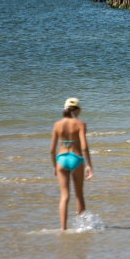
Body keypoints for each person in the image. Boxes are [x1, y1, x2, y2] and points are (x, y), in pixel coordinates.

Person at [49, 97, 93, 231]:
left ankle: (63, 228)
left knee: (64, 196)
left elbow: (51, 150)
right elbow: (84, 147)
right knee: (79, 195)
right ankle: (82, 227)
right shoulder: (80, 124)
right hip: (76, 158)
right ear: (78, 110)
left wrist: (54, 166)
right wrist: (89, 166)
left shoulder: (57, 124)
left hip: (61, 159)